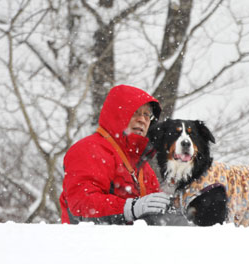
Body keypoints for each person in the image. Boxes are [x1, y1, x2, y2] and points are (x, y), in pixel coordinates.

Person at [59, 84, 171, 224]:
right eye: (135, 112)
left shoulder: (144, 167)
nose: (142, 120)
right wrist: (131, 208)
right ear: (118, 114)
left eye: (147, 114)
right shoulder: (88, 149)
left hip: (130, 244)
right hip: (88, 243)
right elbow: (81, 204)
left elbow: (157, 214)